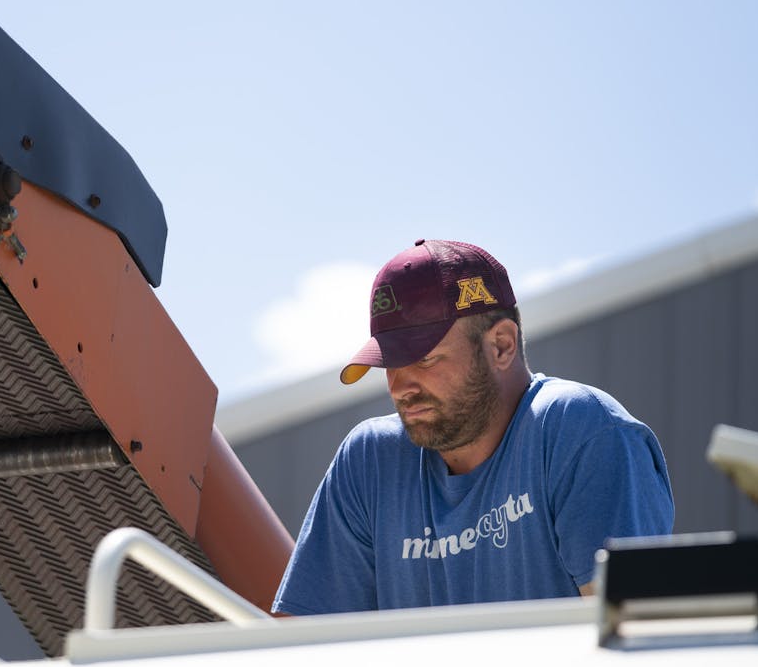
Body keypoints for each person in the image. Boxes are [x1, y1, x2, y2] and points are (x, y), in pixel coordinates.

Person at [271, 239, 674, 614]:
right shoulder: (370, 460)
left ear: (501, 345)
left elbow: (631, 640)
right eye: (390, 363)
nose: (400, 387)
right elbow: (304, 653)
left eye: (424, 360)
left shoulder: (579, 428)